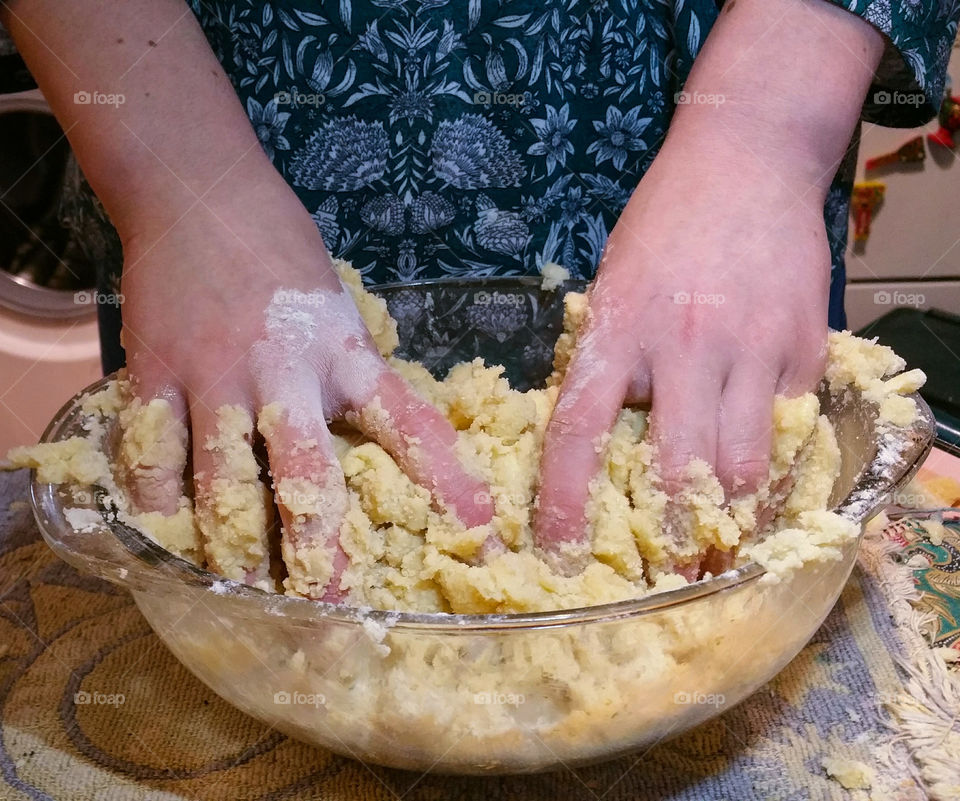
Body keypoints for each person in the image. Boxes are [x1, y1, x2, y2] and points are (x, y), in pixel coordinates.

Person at [1, 0, 956, 588]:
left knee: (728, 486)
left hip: (711, 129)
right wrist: (181, 186)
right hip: (200, 124)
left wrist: (761, 137)